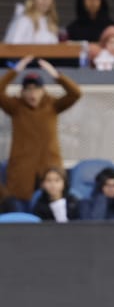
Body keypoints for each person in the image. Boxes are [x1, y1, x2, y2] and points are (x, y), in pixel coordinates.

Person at [0, 57, 83, 203]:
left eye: (36, 89)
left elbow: (75, 93)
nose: (32, 94)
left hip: (49, 166)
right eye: (28, 89)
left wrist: (56, 75)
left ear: (43, 91)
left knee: (51, 204)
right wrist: (15, 71)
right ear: (23, 92)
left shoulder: (52, 105)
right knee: (19, 203)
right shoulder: (15, 107)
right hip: (22, 169)